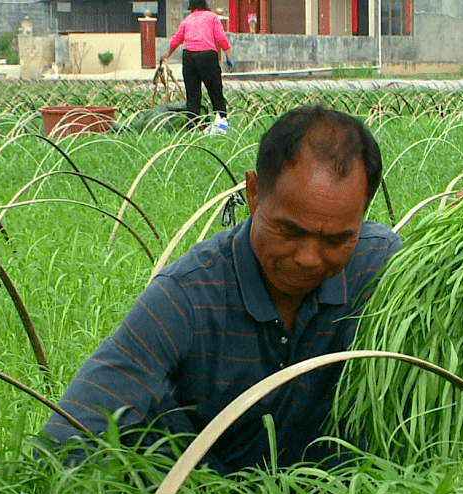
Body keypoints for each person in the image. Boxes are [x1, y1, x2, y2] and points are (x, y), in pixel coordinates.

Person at [42, 105, 401, 473]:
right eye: (290, 231)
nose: (309, 258)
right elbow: (65, 437)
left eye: (336, 239)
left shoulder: (382, 268)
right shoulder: (187, 296)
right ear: (255, 192)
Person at [161, 0, 234, 131]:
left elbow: (176, 39)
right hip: (207, 56)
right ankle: (222, 124)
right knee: (215, 92)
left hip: (188, 57)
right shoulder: (212, 17)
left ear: (191, 6)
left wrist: (168, 53)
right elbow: (221, 37)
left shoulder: (187, 20)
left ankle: (192, 126)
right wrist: (228, 55)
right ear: (205, 5)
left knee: (193, 95)